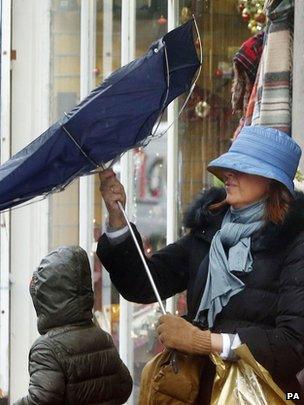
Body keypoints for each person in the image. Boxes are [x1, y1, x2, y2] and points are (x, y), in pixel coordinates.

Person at [97, 125, 304, 402]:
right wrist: (118, 222)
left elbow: (293, 346)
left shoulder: (294, 243)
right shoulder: (210, 233)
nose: (229, 175)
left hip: (263, 395)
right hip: (197, 390)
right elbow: (144, 284)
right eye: (229, 167)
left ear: (270, 182)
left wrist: (204, 342)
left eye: (241, 168)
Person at [15, 246, 132, 405]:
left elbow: (42, 400)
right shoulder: (102, 337)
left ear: (46, 298)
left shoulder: (47, 348)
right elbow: (125, 386)